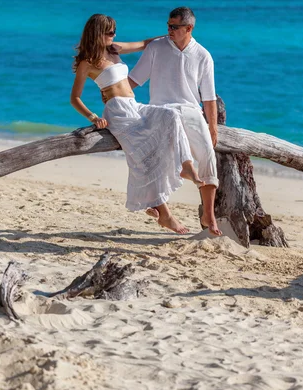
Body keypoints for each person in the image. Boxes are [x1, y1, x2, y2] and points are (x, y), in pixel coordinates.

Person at [70, 14, 202, 234]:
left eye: (114, 31)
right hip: (117, 111)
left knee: (170, 116)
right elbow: (75, 98)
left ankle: (185, 165)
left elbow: (145, 44)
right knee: (142, 154)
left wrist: (174, 33)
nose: (114, 35)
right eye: (109, 32)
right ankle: (165, 215)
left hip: (134, 105)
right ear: (97, 33)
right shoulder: (88, 61)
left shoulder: (114, 49)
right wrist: (93, 117)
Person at [128, 7, 222, 236]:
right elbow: (132, 80)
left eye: (174, 27)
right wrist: (113, 99)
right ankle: (161, 205)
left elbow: (209, 98)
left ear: (189, 28)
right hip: (161, 111)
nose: (169, 30)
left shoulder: (202, 55)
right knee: (162, 155)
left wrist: (213, 127)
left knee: (208, 154)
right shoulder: (156, 48)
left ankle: (208, 214)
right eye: (168, 25)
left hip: (190, 111)